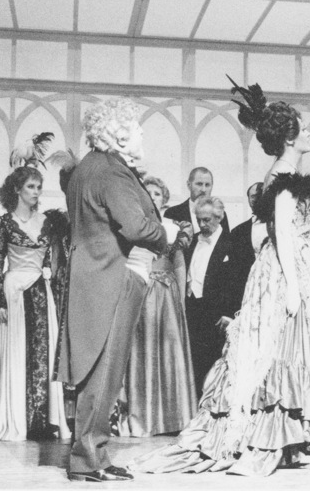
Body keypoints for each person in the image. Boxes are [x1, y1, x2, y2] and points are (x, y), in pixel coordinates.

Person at [130, 82, 310, 476]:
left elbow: (291, 231)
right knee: (279, 350)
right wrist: (293, 288)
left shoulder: (287, 172)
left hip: (295, 266)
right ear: (289, 137)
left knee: (294, 351)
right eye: (303, 128)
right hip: (283, 273)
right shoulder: (281, 173)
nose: (309, 132)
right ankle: (272, 438)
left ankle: (295, 439)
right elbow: (280, 234)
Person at [56, 97, 174, 483]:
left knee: (98, 370)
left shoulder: (87, 168)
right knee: (105, 368)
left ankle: (92, 456)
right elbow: (137, 227)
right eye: (138, 130)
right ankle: (89, 458)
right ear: (121, 137)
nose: (142, 135)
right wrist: (167, 234)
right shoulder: (111, 171)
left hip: (93, 274)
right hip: (112, 276)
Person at [0, 166, 70, 442]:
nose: (36, 192)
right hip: (14, 291)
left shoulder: (47, 222)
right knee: (17, 352)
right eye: (30, 186)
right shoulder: (4, 223)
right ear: (17, 189)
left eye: (38, 187)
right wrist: (0, 302)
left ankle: (42, 420)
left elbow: (49, 261)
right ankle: (18, 417)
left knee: (43, 352)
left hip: (40, 291)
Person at [117, 175, 197, 438]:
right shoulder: (134, 227)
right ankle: (141, 418)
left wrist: (181, 300)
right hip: (140, 290)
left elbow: (179, 264)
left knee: (168, 352)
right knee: (141, 352)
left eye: (157, 194)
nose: (152, 197)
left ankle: (174, 418)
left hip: (166, 295)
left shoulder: (175, 227)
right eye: (148, 193)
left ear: (164, 199)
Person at [184, 196, 233, 396]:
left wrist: (229, 313)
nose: (202, 224)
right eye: (199, 220)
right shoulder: (193, 240)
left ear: (219, 218)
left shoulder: (232, 243)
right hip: (191, 308)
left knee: (212, 364)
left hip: (216, 313)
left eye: (207, 220)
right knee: (192, 361)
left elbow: (237, 282)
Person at [228, 182, 265, 317]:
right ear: (248, 199)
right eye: (253, 196)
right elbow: (233, 272)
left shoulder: (279, 228)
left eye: (260, 195)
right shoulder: (237, 232)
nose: (256, 199)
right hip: (245, 295)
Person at [165, 167, 230, 235]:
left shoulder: (218, 213)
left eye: (207, 185)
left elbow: (225, 240)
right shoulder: (172, 213)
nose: (203, 190)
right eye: (199, 184)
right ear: (189, 185)